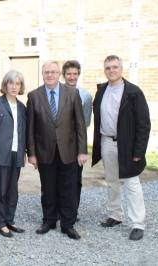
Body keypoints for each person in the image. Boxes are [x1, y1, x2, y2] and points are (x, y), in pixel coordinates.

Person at [92, 55, 150, 241]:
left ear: (121, 68)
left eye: (115, 67)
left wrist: (138, 152)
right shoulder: (101, 91)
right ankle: (115, 215)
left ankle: (137, 224)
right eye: (108, 67)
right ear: (104, 70)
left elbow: (143, 124)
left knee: (132, 184)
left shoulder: (133, 92)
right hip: (106, 141)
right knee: (112, 181)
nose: (111, 70)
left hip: (127, 145)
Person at [27, 61, 87, 240]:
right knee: (48, 188)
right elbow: (30, 128)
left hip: (69, 150)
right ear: (42, 74)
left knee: (68, 189)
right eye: (47, 72)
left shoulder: (72, 93)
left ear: (59, 73)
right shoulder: (34, 96)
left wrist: (82, 150)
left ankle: (68, 225)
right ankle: (49, 220)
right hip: (44, 151)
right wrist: (31, 153)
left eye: (53, 72)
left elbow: (80, 124)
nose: (50, 75)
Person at [0, 70, 27, 238]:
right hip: (0, 153)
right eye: (11, 83)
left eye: (17, 84)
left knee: (13, 190)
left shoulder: (23, 108)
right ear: (5, 85)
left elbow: (23, 131)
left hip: (16, 153)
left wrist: (25, 151)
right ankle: (0, 223)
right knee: (0, 189)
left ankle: (10, 220)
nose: (14, 87)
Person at [62, 60, 92, 217]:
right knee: (59, 178)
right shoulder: (56, 91)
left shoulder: (85, 95)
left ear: (79, 74)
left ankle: (73, 210)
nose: (72, 77)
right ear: (64, 75)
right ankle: (59, 210)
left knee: (75, 180)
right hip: (58, 144)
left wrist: (81, 149)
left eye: (75, 74)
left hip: (75, 144)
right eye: (69, 74)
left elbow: (85, 124)